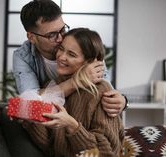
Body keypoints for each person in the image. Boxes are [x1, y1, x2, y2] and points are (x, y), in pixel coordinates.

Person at [13, 0, 127, 117]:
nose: (61, 38)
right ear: (31, 37)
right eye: (51, 35)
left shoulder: (83, 46)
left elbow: (106, 91)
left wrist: (123, 102)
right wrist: (77, 81)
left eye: (62, 29)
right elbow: (31, 101)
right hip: (50, 118)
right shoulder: (23, 56)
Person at [23, 27, 124, 157]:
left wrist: (72, 125)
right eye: (61, 49)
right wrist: (29, 118)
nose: (61, 57)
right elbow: (50, 146)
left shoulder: (100, 90)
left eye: (71, 54)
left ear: (89, 62)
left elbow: (106, 152)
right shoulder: (52, 86)